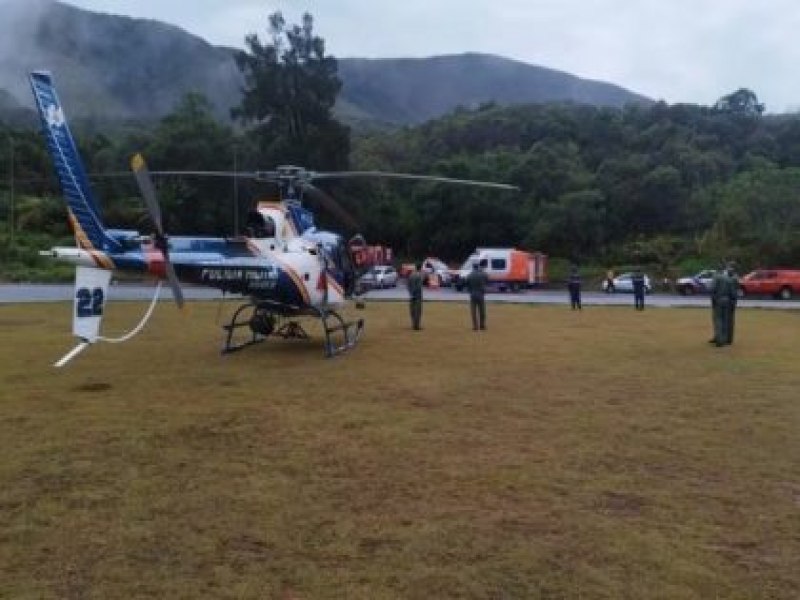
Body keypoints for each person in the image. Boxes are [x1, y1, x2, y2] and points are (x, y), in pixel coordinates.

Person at [709, 265, 733, 346]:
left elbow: (712, 288)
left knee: (718, 320)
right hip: (727, 300)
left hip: (719, 300)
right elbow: (731, 292)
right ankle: (725, 339)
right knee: (725, 320)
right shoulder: (727, 278)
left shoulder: (716, 277)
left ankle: (719, 340)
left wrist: (713, 298)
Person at [465, 262, 489, 330]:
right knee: (482, 310)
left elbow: (467, 284)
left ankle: (475, 326)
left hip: (473, 294)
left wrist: (470, 290)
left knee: (473, 311)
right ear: (478, 267)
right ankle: (482, 325)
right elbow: (487, 281)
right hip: (481, 293)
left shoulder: (469, 275)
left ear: (473, 267)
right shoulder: (483, 274)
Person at [407, 262, 424, 330]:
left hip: (411, 295)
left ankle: (413, 323)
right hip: (417, 295)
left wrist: (411, 293)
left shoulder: (411, 275)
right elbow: (419, 287)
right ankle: (416, 326)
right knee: (418, 311)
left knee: (412, 310)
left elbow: (408, 285)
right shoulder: (419, 276)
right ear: (420, 268)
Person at [726, 262, 739, 344]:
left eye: (729, 268)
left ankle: (729, 338)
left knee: (730, 320)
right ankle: (728, 337)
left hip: (731, 300)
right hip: (731, 299)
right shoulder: (732, 277)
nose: (728, 270)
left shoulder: (733, 278)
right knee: (728, 319)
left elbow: (733, 291)